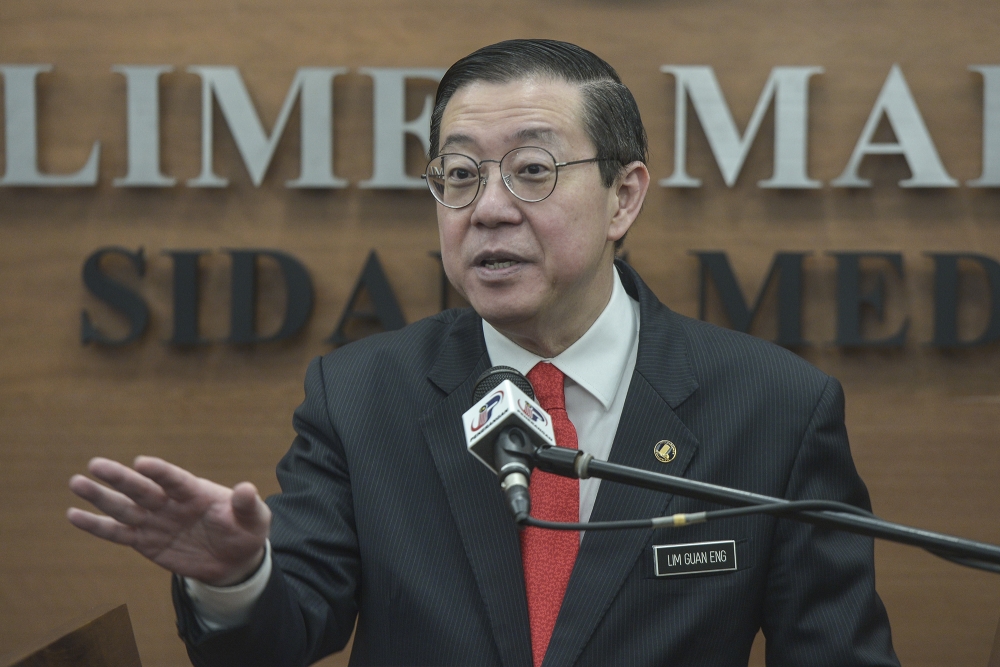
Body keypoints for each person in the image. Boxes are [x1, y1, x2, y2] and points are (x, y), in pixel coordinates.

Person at [68, 39, 899, 667]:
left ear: (623, 195)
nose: (489, 208)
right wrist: (237, 575)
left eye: (532, 170)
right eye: (459, 175)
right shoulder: (362, 395)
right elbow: (284, 631)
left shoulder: (775, 407)